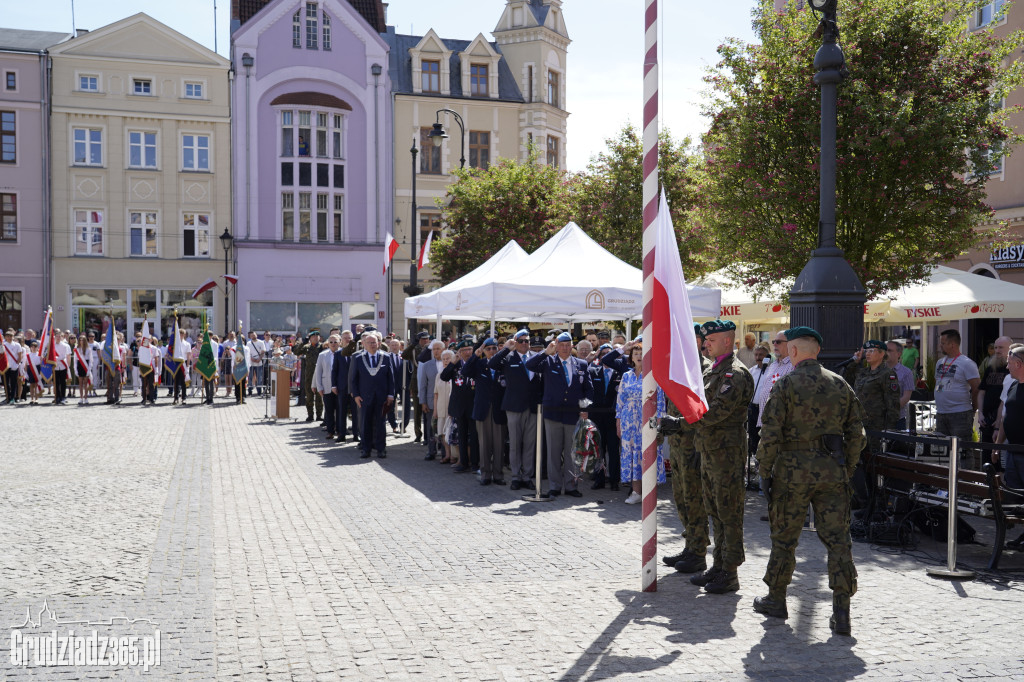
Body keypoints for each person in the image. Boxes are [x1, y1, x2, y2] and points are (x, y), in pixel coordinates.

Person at [754, 326, 866, 636]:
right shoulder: (841, 384)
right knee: (839, 541)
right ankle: (841, 611)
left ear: (793, 352)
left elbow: (770, 433)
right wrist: (847, 468)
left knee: (785, 538)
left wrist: (764, 471)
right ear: (817, 351)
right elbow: (857, 434)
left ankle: (776, 599)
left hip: (791, 474)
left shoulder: (786, 383)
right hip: (832, 473)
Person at [690, 319, 754, 595]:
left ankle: (730, 571)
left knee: (729, 513)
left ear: (727, 341)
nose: (705, 344)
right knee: (715, 510)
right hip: (711, 450)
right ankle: (719, 564)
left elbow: (714, 412)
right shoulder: (715, 370)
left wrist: (679, 423)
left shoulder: (734, 374)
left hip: (726, 453)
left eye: (711, 340)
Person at [662, 324, 713, 574]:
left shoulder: (704, 369)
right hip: (677, 444)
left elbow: (702, 410)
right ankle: (690, 544)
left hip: (693, 444)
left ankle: (698, 551)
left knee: (695, 499)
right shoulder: (677, 369)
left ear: (700, 342)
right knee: (681, 499)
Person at [525, 331, 594, 498]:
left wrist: (584, 408)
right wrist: (545, 352)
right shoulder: (548, 361)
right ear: (556, 346)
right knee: (553, 452)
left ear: (572, 346)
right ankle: (555, 486)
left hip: (573, 414)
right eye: (561, 345)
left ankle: (571, 485)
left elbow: (589, 390)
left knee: (572, 452)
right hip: (553, 414)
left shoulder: (581, 364)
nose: (564, 348)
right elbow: (529, 365)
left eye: (567, 345)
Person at [490, 330, 542, 490]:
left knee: (529, 444)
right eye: (521, 341)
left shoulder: (535, 357)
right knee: (514, 444)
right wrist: (507, 348)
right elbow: (492, 364)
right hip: (513, 407)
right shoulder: (508, 357)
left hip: (532, 407)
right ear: (516, 342)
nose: (524, 344)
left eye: (527, 341)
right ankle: (515, 477)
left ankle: (527, 476)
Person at [615, 340, 666, 504]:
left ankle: (650, 493)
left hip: (648, 419)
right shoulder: (626, 376)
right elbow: (620, 401)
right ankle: (636, 492)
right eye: (635, 354)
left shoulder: (653, 375)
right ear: (631, 357)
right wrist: (618, 421)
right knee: (631, 455)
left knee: (649, 453)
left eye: (641, 354)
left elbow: (660, 401)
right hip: (628, 421)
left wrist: (658, 424)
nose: (638, 356)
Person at [463, 338, 507, 485]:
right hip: (483, 409)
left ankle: (499, 475)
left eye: (495, 348)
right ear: (484, 351)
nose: (492, 351)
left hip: (498, 410)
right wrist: (476, 355)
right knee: (484, 444)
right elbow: (465, 371)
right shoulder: (479, 364)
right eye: (489, 349)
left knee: (499, 445)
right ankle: (486, 475)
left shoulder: (502, 364)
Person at [349, 331, 395, 458]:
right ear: (363, 344)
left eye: (374, 342)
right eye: (369, 342)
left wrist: (391, 394)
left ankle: (381, 449)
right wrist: (356, 395)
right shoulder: (358, 358)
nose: (372, 344)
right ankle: (366, 449)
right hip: (364, 397)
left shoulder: (386, 357)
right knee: (365, 424)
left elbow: (390, 378)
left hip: (382, 397)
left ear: (379, 343)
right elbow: (354, 379)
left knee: (381, 424)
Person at [440, 339, 480, 473]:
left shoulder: (476, 363)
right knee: (461, 436)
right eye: (464, 350)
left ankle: (475, 463)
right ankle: (463, 462)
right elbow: (444, 377)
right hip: (459, 406)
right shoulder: (456, 365)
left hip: (474, 405)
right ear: (459, 352)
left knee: (474, 436)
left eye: (469, 350)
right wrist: (452, 362)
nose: (467, 353)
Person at [933, 329, 980, 443]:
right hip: (941, 413)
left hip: (960, 414)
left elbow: (976, 388)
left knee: (962, 450)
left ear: (952, 344)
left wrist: (974, 408)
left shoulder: (967, 363)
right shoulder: (940, 362)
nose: (940, 346)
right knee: (942, 451)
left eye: (943, 343)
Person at [588, 343, 621, 492]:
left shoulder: (619, 373)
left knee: (613, 451)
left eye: (609, 353)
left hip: (613, 418)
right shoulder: (593, 371)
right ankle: (599, 479)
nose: (605, 356)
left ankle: (614, 480)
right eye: (603, 354)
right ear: (599, 357)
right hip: (597, 417)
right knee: (598, 450)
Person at [978, 336, 1012, 443]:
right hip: (986, 420)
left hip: (1003, 421)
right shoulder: (990, 368)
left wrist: (998, 422)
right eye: (996, 347)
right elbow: (981, 392)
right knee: (986, 455)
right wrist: (980, 413)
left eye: (1001, 348)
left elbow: (1005, 399)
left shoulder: (1013, 370)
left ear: (1010, 349)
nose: (997, 351)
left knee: (999, 455)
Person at [417, 340, 445, 460]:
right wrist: (422, 402)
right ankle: (431, 451)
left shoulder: (449, 362)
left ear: (444, 349)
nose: (436, 351)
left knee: (444, 427)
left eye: (438, 349)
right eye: (434, 349)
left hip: (445, 401)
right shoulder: (427, 365)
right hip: (430, 401)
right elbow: (422, 384)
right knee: (430, 427)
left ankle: (445, 451)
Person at [403, 331, 432, 442]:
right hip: (416, 384)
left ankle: (427, 435)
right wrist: (412, 345)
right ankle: (418, 433)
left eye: (427, 339)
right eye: (423, 339)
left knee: (428, 410)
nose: (425, 341)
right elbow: (404, 355)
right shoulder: (414, 350)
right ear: (419, 340)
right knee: (417, 412)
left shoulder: (430, 349)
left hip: (429, 383)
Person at [331, 330, 359, 443]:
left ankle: (357, 435)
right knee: (341, 412)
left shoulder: (357, 353)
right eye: (345, 338)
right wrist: (334, 385)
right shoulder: (338, 353)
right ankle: (341, 434)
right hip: (342, 387)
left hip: (355, 388)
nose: (347, 340)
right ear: (341, 340)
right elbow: (334, 371)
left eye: (349, 338)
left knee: (356, 412)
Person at [885, 340, 916, 430]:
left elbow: (906, 397)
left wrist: (890, 409)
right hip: (879, 419)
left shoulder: (906, 372)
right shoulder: (878, 370)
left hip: (897, 419)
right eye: (885, 350)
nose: (886, 353)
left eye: (890, 350)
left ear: (898, 354)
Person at [293, 329, 323, 423]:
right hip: (309, 374)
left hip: (320, 374)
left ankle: (319, 415)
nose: (315, 337)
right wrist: (302, 343)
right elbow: (296, 352)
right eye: (313, 336)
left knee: (319, 396)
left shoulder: (323, 346)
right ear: (310, 338)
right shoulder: (307, 347)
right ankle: (310, 415)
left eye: (317, 336)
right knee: (309, 395)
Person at [315, 335, 339, 438]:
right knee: (329, 410)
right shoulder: (322, 355)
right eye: (331, 342)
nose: (333, 344)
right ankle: (330, 431)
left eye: (335, 342)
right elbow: (318, 372)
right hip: (326, 387)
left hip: (339, 387)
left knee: (339, 410)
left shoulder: (343, 353)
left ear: (339, 343)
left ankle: (340, 429)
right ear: (328, 343)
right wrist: (319, 387)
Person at [434, 348, 456, 463]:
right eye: (444, 359)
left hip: (452, 408)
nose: (446, 361)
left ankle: (453, 455)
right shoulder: (439, 375)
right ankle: (447, 454)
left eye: (448, 358)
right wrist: (435, 411)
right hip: (441, 407)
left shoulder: (456, 372)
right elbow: (436, 394)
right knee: (442, 433)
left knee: (452, 433)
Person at [386, 339, 404, 434]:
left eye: (396, 345)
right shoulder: (386, 357)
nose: (394, 347)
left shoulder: (404, 356)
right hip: (391, 386)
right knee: (390, 407)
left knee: (406, 406)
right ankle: (394, 425)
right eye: (392, 345)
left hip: (403, 385)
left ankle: (403, 425)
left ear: (400, 346)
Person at [171, 329, 191, 405]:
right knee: (176, 381)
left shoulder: (187, 344)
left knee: (184, 382)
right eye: (180, 334)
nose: (181, 335)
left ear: (185, 335)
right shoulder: (175, 344)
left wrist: (188, 366)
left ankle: (184, 398)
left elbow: (189, 355)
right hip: (177, 363)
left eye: (183, 334)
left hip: (184, 363)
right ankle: (176, 398)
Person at [2, 328, 23, 403]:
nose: (9, 338)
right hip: (5, 366)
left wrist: (18, 362)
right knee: (6, 383)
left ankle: (12, 398)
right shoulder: (3, 345)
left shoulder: (17, 345)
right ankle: (7, 397)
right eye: (8, 336)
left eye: (11, 336)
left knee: (14, 383)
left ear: (13, 337)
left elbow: (20, 355)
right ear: (5, 337)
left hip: (14, 366)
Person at [53, 331, 71, 405]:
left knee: (63, 383)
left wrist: (56, 358)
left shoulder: (65, 346)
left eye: (59, 336)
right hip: (55, 366)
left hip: (63, 366)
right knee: (56, 383)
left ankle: (63, 397)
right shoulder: (52, 346)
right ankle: (57, 397)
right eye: (57, 336)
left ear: (62, 337)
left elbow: (63, 356)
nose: (58, 338)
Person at [73, 334, 92, 405]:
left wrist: (89, 369)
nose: (81, 341)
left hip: (86, 366)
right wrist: (75, 369)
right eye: (80, 340)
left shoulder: (88, 349)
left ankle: (86, 398)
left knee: (85, 383)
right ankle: (81, 398)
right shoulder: (76, 349)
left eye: (83, 340)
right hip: (79, 366)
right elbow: (75, 360)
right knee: (80, 383)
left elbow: (90, 360)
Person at [246, 331, 265, 396]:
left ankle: (259, 391)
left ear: (256, 335)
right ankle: (250, 391)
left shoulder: (261, 342)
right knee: (250, 377)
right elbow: (247, 353)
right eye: (252, 335)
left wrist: (259, 358)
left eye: (254, 335)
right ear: (250, 336)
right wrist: (252, 359)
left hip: (259, 362)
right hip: (251, 362)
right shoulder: (248, 343)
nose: (253, 336)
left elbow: (263, 351)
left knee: (259, 377)